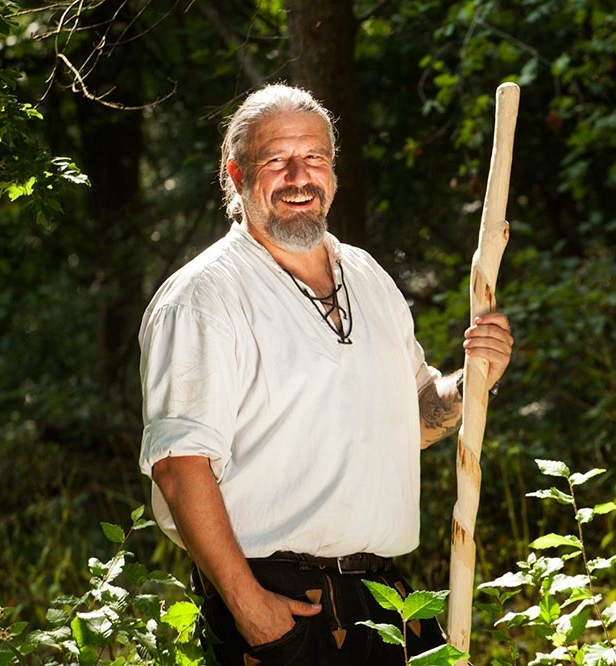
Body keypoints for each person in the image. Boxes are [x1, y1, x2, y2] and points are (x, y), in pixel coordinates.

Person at [138, 82, 513, 666]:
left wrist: (472, 382)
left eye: (314, 158)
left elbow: (411, 419)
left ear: (333, 173)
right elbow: (179, 465)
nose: (299, 176)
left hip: (384, 597)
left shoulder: (366, 275)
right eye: (276, 160)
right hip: (277, 599)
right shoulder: (205, 295)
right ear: (235, 176)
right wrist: (250, 608)